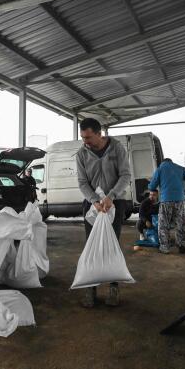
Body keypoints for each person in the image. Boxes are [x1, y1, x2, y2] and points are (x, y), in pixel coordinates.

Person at [75, 118, 132, 308]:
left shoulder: (117, 148)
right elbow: (82, 182)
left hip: (114, 203)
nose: (85, 141)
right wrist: (94, 200)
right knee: (91, 244)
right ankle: (90, 288)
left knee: (111, 243)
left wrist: (111, 196)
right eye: (83, 137)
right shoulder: (81, 154)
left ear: (100, 134)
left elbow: (125, 175)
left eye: (89, 137)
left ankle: (114, 287)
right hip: (92, 204)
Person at [148, 158, 185, 254]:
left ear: (163, 162)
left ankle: (165, 247)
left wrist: (151, 187)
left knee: (163, 223)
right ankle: (181, 245)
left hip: (166, 200)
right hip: (179, 200)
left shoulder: (160, 168)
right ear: (171, 162)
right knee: (180, 223)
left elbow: (152, 186)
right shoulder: (180, 168)